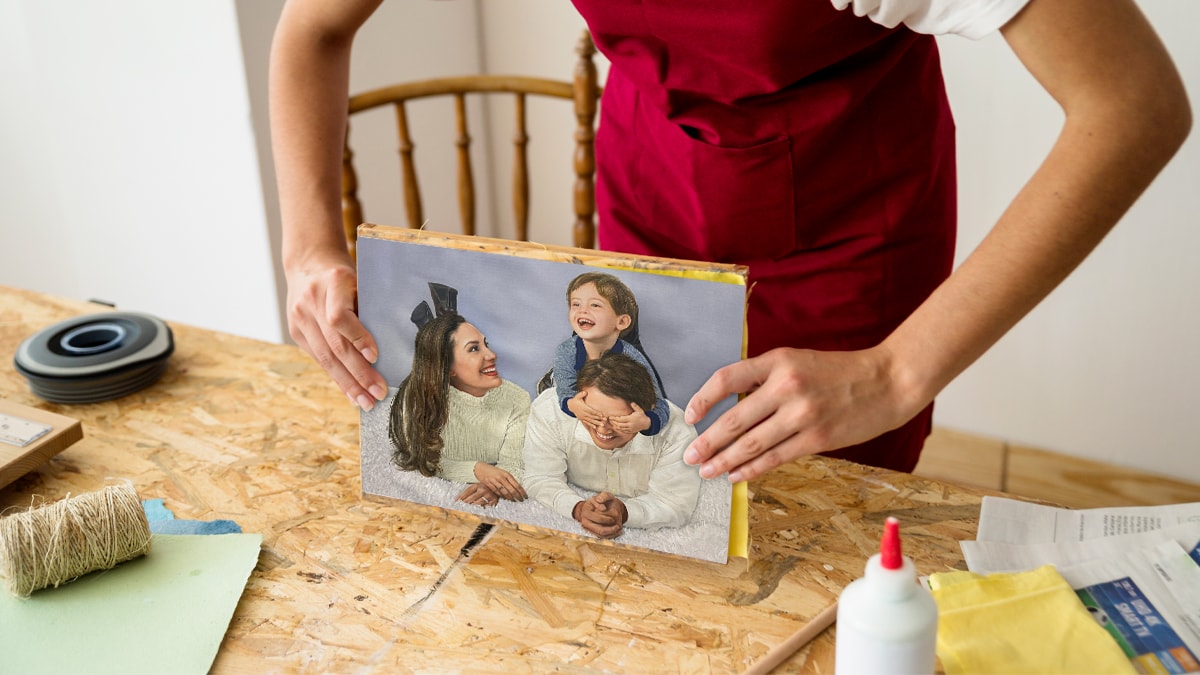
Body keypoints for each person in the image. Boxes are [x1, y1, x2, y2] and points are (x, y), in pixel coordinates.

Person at [269, 1, 1191, 482]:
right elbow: (315, 25)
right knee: (641, 466)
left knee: (826, 522)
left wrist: (896, 371)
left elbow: (1133, 105)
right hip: (651, 178)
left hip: (850, 215)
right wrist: (308, 245)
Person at [523, 353, 701, 539]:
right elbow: (541, 477)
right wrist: (578, 508)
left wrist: (625, 511)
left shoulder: (677, 431)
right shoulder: (549, 412)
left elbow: (675, 503)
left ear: (648, 410)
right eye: (593, 416)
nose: (603, 429)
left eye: (619, 420)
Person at [388, 311, 530, 507]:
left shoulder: (517, 399)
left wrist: (493, 485)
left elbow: (515, 463)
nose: (491, 355)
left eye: (485, 345)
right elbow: (422, 458)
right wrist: (477, 470)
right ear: (448, 367)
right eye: (474, 349)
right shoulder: (418, 399)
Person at [548, 272, 670, 437]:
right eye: (575, 304)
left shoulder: (633, 358)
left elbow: (660, 404)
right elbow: (564, 390)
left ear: (621, 322)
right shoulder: (566, 351)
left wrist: (645, 421)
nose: (582, 310)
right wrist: (571, 404)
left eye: (595, 305)